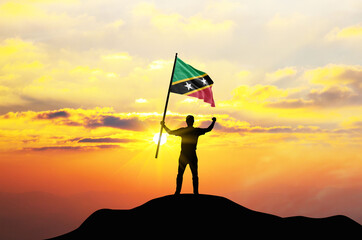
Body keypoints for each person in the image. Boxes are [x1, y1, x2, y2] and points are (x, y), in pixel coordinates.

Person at [161, 115, 216, 195]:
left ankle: (184, 192)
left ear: (187, 122)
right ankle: (189, 192)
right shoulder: (195, 131)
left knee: (186, 174)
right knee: (188, 175)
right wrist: (213, 121)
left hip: (186, 155)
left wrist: (163, 126)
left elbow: (170, 132)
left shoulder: (189, 131)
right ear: (192, 122)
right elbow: (208, 129)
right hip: (188, 155)